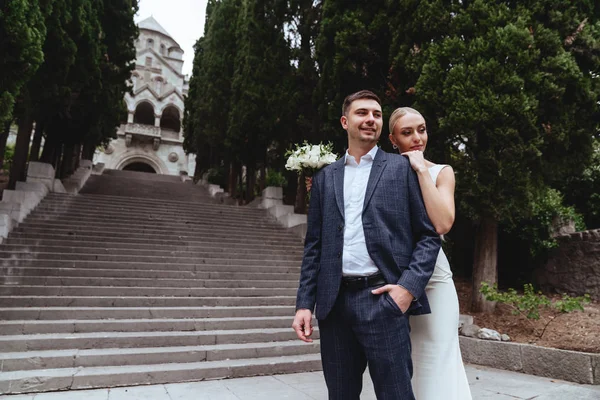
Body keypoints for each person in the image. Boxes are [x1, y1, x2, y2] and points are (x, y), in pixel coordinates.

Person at [292, 90, 441, 400]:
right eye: (362, 113)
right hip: (334, 307)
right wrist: (304, 304)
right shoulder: (324, 179)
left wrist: (406, 290)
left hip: (383, 302)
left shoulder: (402, 169)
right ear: (345, 121)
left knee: (396, 394)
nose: (370, 119)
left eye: (376, 114)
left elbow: (428, 236)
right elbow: (314, 247)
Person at [388, 106, 472, 400]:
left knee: (439, 355)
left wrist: (422, 168)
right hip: (394, 279)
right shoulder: (382, 173)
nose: (416, 138)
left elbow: (442, 223)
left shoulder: (441, 172)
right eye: (407, 132)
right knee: (401, 364)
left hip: (434, 280)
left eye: (421, 130)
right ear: (393, 139)